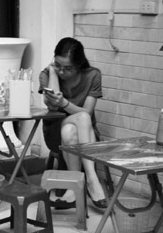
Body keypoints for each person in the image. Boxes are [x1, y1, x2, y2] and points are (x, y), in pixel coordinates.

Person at [39, 37, 107, 208]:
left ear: (79, 64)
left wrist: (65, 104)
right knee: (81, 118)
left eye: (67, 68)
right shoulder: (46, 75)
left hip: (86, 134)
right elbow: (53, 103)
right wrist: (53, 73)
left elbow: (88, 112)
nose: (62, 71)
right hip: (54, 131)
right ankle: (92, 180)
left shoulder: (93, 75)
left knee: (73, 128)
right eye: (58, 65)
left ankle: (74, 187)